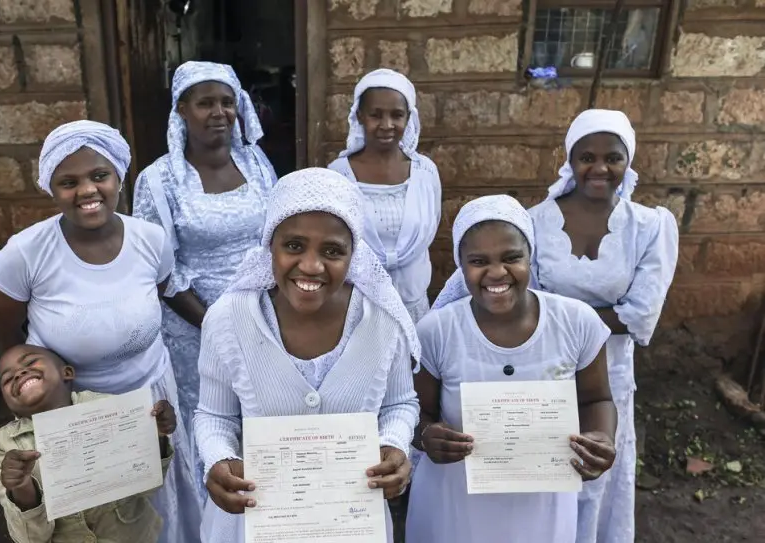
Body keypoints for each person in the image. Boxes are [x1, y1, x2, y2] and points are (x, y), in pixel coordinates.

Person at [0, 120, 202, 543]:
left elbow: (165, 288)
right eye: (69, 181)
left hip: (151, 394)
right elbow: (3, 329)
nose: (87, 190)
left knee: (156, 499)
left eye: (99, 175)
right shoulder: (24, 254)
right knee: (90, 517)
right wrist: (28, 400)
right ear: (51, 187)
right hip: (70, 408)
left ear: (119, 176)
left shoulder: (149, 239)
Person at [193, 168, 419, 542]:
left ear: (353, 255)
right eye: (294, 246)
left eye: (332, 250)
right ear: (270, 246)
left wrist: (394, 444)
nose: (311, 266)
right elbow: (214, 414)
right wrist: (218, 459)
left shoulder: (382, 321)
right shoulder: (228, 319)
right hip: (254, 523)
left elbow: (400, 403)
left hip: (350, 524)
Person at [407, 194, 618, 543]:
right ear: (460, 265)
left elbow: (598, 399)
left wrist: (602, 437)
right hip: (456, 506)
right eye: (478, 260)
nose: (496, 272)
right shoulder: (437, 331)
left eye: (512, 257)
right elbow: (416, 412)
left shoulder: (577, 322)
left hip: (542, 506)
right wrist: (427, 437)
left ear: (530, 256)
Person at [527, 109, 678, 543]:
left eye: (613, 157)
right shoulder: (534, 222)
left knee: (594, 476)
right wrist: (599, 316)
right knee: (543, 473)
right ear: (569, 161)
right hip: (545, 371)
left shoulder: (649, 227)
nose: (599, 168)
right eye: (586, 156)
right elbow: (525, 303)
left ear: (627, 162)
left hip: (610, 378)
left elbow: (641, 315)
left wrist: (561, 314)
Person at [133, 61, 278, 493]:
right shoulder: (158, 180)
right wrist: (216, 322)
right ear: (181, 110)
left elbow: (276, 234)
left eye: (227, 101)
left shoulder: (255, 161)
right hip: (194, 327)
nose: (219, 112)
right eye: (205, 103)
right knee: (209, 421)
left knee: (258, 414)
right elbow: (160, 270)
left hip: (262, 318)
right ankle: (210, 517)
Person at [0, 344, 176, 543]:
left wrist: (157, 435)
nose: (19, 374)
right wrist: (22, 486)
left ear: (66, 373)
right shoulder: (4, 446)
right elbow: (29, 539)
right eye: (7, 379)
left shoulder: (111, 411)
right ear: (7, 402)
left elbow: (148, 485)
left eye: (31, 362)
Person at [328, 68, 441, 324]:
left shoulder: (424, 172)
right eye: (375, 115)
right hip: (358, 307)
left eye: (397, 115)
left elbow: (431, 223)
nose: (387, 125)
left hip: (414, 306)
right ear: (359, 116)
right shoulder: (338, 176)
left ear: (409, 118)